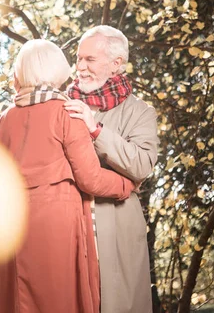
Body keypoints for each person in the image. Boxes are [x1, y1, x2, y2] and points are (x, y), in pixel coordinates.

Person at [0, 39, 136, 313]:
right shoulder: (67, 112)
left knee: (18, 300)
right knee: (59, 299)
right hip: (56, 222)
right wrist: (126, 184)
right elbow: (91, 179)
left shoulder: (4, 119)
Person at [64, 25, 159, 313]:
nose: (80, 67)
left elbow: (142, 164)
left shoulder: (140, 112)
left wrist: (95, 130)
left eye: (90, 60)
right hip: (70, 223)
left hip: (117, 225)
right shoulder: (62, 104)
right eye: (79, 59)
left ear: (116, 64)